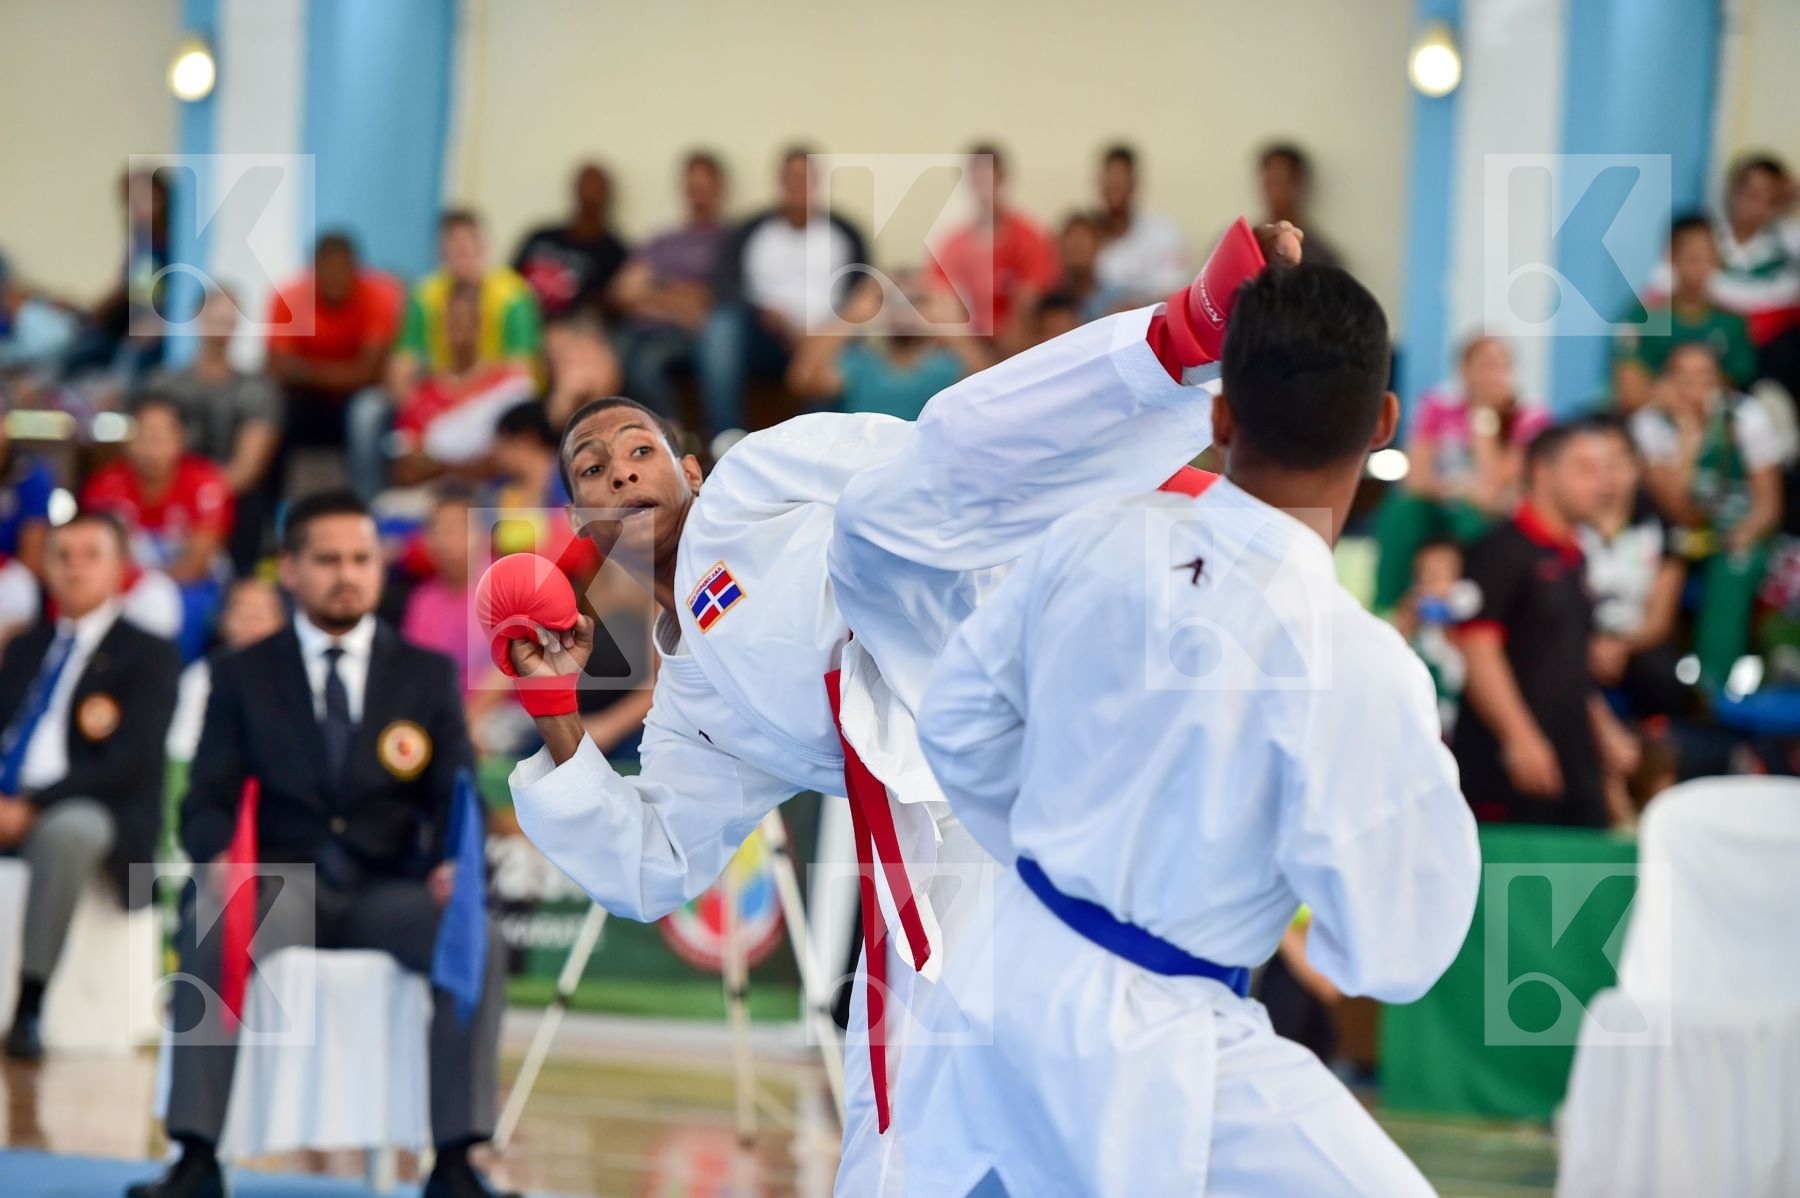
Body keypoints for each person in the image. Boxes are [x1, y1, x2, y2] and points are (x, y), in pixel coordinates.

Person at [495, 219, 1301, 1193]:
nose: (621, 469)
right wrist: (551, 705)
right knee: (904, 1105)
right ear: (579, 521)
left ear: (690, 468)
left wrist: (1143, 446)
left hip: (1008, 627)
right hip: (954, 824)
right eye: (591, 468)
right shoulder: (695, 704)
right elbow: (653, 863)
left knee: (885, 510)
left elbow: (951, 463)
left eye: (639, 448)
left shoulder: (751, 482)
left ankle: (1182, 341)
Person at [906, 263, 1478, 1197]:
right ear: (1383, 424)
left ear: (1219, 417)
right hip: (1154, 1040)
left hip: (1001, 965)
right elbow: (1397, 953)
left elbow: (957, 723)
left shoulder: (1092, 534)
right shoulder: (1360, 665)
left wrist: (1065, 857)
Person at [127, 492, 510, 1198]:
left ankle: (456, 1160)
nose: (347, 575)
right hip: (278, 887)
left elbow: (457, 793)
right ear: (292, 571)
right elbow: (205, 798)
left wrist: (458, 862)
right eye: (328, 560)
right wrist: (217, 859)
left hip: (387, 891)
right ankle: (196, 1157)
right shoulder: (240, 674)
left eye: (361, 559)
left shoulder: (423, 674)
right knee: (209, 922)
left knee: (473, 935)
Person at [0, 514, 181, 1061]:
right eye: (63, 554)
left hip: (94, 809)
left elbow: (132, 762)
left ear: (120, 567)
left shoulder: (149, 652)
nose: (74, 567)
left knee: (69, 831)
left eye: (90, 554)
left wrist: (31, 806)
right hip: (11, 797)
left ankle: (30, 1003)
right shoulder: (25, 645)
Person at [1453, 420, 1639, 829]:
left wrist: (1604, 729)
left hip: (1572, 763)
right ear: (1542, 470)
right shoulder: (1497, 550)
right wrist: (1519, 737)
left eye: (1607, 470)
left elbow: (1569, 661)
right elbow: (1479, 650)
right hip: (1508, 769)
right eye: (1586, 469)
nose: (1603, 483)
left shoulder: (1576, 556)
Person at [359, 211, 542, 499]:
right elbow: (401, 367)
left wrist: (472, 398)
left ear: (483, 247)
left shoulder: (513, 295)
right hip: (438, 396)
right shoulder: (425, 294)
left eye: (467, 247)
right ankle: (364, 499)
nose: (461, 256)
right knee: (368, 410)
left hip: (491, 405)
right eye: (452, 248)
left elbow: (522, 376)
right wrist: (424, 412)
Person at [1633, 341, 1783, 686]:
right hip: (1672, 532)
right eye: (1682, 378)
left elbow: (1768, 504)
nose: (1694, 389)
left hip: (1735, 528)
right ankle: (1655, 684)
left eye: (1704, 378)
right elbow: (1677, 509)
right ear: (1665, 382)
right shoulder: (1649, 424)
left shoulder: (1746, 417)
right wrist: (1689, 434)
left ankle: (1711, 686)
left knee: (1734, 564)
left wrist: (1743, 534)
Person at [698, 147, 870, 441]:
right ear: (779, 182)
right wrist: (763, 314)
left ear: (817, 183)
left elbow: (861, 299)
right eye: (790, 177)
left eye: (804, 178)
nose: (796, 185)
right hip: (764, 338)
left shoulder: (846, 233)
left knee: (846, 360)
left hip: (824, 341)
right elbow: (726, 288)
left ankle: (804, 446)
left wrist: (823, 335)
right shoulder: (751, 230)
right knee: (720, 325)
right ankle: (726, 438)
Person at [1373, 335, 1550, 612]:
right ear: (1464, 369)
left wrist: (1483, 418)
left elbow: (1492, 492)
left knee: (1471, 518)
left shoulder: (1529, 417)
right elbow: (1415, 478)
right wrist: (1457, 490)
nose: (1493, 374)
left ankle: (1472, 611)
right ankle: (1387, 607)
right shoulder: (1437, 406)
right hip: (1444, 502)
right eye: (1485, 365)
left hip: (1493, 515)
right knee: (1403, 510)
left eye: (1501, 366)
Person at [82, 395, 235, 661]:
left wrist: (150, 588)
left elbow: (197, 564)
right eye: (144, 434)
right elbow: (94, 554)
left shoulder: (205, 482)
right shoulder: (105, 484)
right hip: (123, 585)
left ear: (181, 439)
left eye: (162, 435)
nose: (152, 446)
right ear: (128, 439)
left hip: (192, 588)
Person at [142, 286, 284, 571]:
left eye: (227, 317)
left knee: (249, 508)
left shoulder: (258, 390)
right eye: (213, 315)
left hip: (229, 500)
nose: (220, 325)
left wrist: (201, 499)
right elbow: (147, 447)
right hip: (165, 496)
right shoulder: (163, 384)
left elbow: (248, 466)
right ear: (196, 317)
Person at [1580, 416, 1689, 719]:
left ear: (1636, 466)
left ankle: (1657, 756)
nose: (1608, 475)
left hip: (1638, 642)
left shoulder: (1661, 531)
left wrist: (1621, 646)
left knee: (1659, 676)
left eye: (1617, 461)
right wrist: (1589, 645)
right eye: (1595, 464)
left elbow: (1659, 618)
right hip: (1574, 641)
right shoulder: (1568, 526)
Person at [609, 151, 730, 423]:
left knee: (645, 364)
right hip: (636, 330)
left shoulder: (727, 240)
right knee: (611, 358)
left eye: (703, 184)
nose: (696, 190)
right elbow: (623, 292)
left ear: (719, 188)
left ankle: (672, 438)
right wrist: (674, 296)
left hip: (683, 336)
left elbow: (705, 303)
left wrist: (653, 287)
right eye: (691, 183)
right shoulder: (661, 240)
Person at [265, 233, 403, 466]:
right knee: (269, 409)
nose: (335, 278)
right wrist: (347, 373)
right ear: (313, 271)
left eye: (343, 270)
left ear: (357, 269)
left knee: (367, 413)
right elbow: (278, 368)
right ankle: (269, 502)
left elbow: (370, 373)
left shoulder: (381, 296)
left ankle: (366, 500)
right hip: (303, 399)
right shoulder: (289, 297)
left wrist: (305, 371)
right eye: (327, 271)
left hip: (357, 397)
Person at [389, 284, 537, 486]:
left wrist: (438, 462)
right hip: (434, 497)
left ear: (479, 325)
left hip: (493, 496)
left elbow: (513, 458)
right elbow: (405, 471)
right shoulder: (423, 393)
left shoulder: (507, 385)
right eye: (447, 321)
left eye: (462, 320)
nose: (454, 329)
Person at [921, 144, 1060, 354]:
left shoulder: (1029, 237)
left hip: (1017, 339)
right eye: (977, 176)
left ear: (1002, 178)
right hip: (970, 345)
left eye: (989, 175)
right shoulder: (952, 244)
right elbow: (938, 297)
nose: (983, 183)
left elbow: (1033, 296)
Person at [787, 277, 985, 421]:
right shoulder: (859, 364)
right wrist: (850, 317)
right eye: (893, 300)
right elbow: (802, 380)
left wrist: (952, 326)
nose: (905, 309)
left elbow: (989, 389)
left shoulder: (946, 367)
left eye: (916, 301)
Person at [1616, 215, 1759, 412]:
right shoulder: (1644, 318)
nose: (1699, 267)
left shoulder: (1732, 322)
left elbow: (1735, 389)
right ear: (1671, 257)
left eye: (1707, 256)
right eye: (1691, 257)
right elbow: (1630, 392)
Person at [166, 577, 288, 764]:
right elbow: (181, 749)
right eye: (242, 610)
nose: (251, 620)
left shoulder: (298, 675)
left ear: (282, 620)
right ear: (223, 619)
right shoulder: (201, 676)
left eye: (261, 612)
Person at [512, 162, 630, 321]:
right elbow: (509, 279)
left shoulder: (615, 252)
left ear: (608, 194)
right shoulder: (540, 236)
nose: (589, 191)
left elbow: (612, 305)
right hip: (518, 318)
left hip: (570, 329)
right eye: (585, 183)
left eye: (597, 185)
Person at [1092, 144, 1192, 304]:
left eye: (1121, 179)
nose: (1115, 186)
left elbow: (1174, 289)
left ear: (1134, 181)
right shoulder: (1087, 234)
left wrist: (1136, 305)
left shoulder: (1164, 231)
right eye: (1110, 179)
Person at [1255, 142, 1344, 269]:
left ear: (1299, 185)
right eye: (1268, 182)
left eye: (1279, 182)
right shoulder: (1241, 245)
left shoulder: (1322, 257)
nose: (1273, 192)